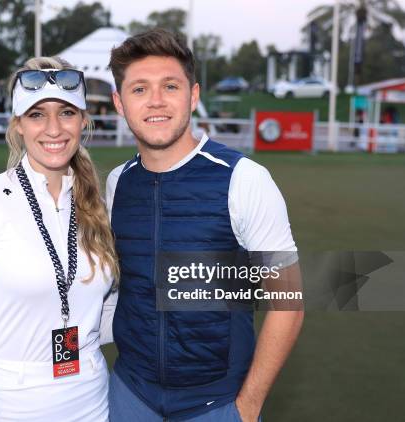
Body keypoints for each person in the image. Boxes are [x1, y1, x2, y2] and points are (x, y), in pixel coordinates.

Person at [104, 29, 304, 421]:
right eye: (139, 89)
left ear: (193, 96)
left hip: (217, 405)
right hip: (130, 396)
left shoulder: (245, 179)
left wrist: (246, 408)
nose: (156, 101)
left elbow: (288, 303)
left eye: (170, 86)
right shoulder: (118, 183)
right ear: (119, 103)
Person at [0, 56, 119, 421]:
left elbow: (104, 312)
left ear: (83, 120)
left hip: (94, 402)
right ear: (18, 125)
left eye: (67, 113)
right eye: (37, 114)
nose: (54, 128)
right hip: (12, 406)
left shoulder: (96, 205)